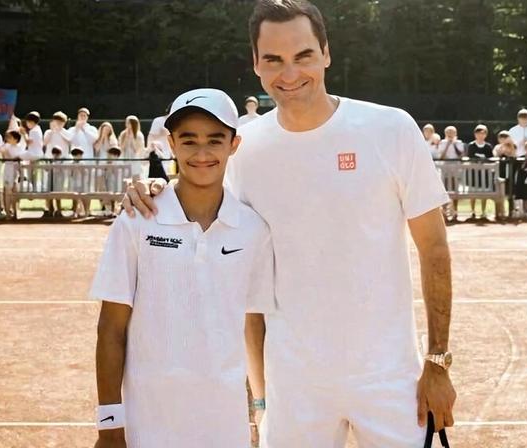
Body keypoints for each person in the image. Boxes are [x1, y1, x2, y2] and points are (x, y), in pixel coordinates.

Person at [124, 1, 456, 446]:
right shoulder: (247, 149)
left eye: (302, 56)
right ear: (256, 65)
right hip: (292, 390)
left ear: (325, 54)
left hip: (390, 378)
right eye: (274, 60)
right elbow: (201, 205)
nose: (290, 73)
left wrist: (437, 363)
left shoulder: (391, 129)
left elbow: (434, 248)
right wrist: (152, 187)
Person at [92, 88, 276, 448]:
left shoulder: (254, 229)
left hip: (224, 427)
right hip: (147, 424)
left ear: (234, 144)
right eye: (189, 140)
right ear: (171, 143)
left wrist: (261, 406)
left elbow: (253, 324)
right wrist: (110, 426)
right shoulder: (136, 220)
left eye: (215, 140)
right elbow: (111, 329)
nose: (202, 153)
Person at [466, 124, 493, 219]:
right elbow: (469, 158)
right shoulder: (471, 146)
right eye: (478, 133)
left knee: (484, 193)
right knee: (472, 193)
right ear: (475, 134)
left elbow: (491, 160)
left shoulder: (488, 147)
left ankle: (483, 211)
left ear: (485, 134)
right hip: (473, 173)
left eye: (482, 133)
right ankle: (472, 211)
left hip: (485, 174)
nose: (480, 135)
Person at [0, 129, 26, 219]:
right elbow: (2, 152)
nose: (8, 138)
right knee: (7, 191)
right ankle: (7, 212)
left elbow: (21, 159)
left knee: (14, 191)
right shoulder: (6, 146)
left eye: (10, 137)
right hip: (8, 170)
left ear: (15, 139)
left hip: (16, 171)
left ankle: (15, 211)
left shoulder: (20, 146)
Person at [119, 115, 146, 181]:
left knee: (136, 178)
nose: (127, 124)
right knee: (125, 178)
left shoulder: (139, 135)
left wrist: (132, 138)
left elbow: (137, 149)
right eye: (126, 122)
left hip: (135, 159)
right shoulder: (123, 134)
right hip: (125, 158)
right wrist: (126, 138)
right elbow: (121, 148)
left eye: (128, 123)